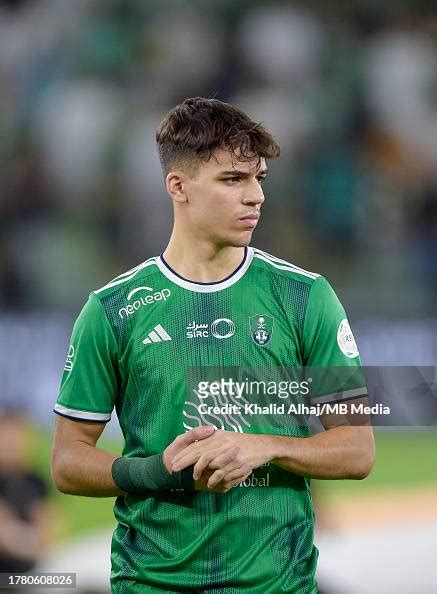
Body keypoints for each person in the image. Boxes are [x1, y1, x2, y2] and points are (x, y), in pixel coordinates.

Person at [51, 97, 375, 593]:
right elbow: (68, 461)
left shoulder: (306, 297)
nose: (255, 197)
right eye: (233, 180)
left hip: (278, 585)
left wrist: (263, 447)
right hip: (151, 583)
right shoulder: (113, 311)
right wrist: (160, 471)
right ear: (178, 186)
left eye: (258, 179)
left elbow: (357, 449)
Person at [0, 410, 52, 579]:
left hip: (29, 573)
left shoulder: (36, 480)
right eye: (7, 438)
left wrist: (18, 538)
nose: (12, 445)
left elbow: (50, 528)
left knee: (67, 581)